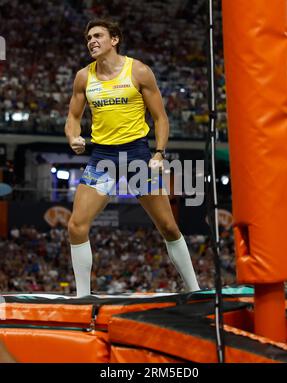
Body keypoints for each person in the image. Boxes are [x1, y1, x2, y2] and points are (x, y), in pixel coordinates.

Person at [65, 18, 200, 296]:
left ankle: (195, 289)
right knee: (76, 226)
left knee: (168, 226)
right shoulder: (83, 77)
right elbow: (73, 117)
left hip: (137, 155)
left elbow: (161, 118)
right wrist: (73, 136)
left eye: (98, 35)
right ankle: (82, 297)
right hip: (102, 158)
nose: (91, 41)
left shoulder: (138, 71)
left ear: (114, 40)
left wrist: (159, 153)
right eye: (88, 37)